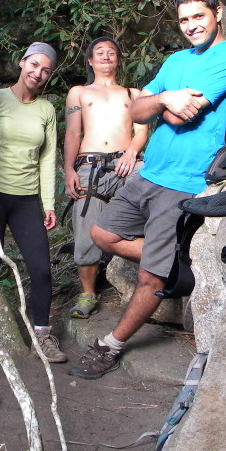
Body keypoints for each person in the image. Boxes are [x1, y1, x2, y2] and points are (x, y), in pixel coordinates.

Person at [69, 0, 226, 379]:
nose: (191, 26)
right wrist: (168, 99)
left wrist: (160, 102)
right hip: (149, 172)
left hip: (185, 179)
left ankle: (111, 345)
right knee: (102, 234)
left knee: (150, 276)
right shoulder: (175, 60)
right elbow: (136, 108)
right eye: (184, 20)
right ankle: (175, 262)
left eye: (198, 17)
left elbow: (179, 117)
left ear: (217, 13)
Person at [0, 42, 66, 362]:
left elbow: (47, 159)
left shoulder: (46, 109)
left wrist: (49, 203)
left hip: (27, 198)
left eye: (45, 70)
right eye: (34, 65)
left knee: (42, 270)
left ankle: (42, 336)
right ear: (22, 63)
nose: (38, 73)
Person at [63, 36, 148, 318]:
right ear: (90, 60)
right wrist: (69, 170)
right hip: (90, 165)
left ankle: (149, 276)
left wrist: (131, 153)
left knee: (155, 191)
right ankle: (88, 293)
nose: (106, 56)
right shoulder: (79, 92)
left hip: (127, 163)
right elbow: (73, 133)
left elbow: (141, 131)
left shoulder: (133, 94)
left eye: (111, 52)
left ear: (119, 59)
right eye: (99, 52)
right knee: (86, 226)